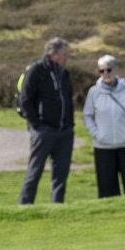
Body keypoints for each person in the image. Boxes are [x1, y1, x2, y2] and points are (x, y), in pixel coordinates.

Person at [18, 36, 75, 205]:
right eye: (64, 54)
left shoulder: (64, 73)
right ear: (53, 54)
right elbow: (25, 99)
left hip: (64, 131)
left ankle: (57, 207)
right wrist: (37, 123)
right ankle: (25, 206)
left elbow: (68, 100)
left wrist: (69, 125)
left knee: (61, 174)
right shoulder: (36, 70)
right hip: (44, 131)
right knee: (35, 171)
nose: (67, 57)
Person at [82, 54, 125, 198]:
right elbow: (87, 116)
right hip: (103, 148)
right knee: (107, 191)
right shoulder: (93, 92)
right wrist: (97, 135)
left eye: (109, 69)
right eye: (101, 71)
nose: (105, 73)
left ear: (116, 69)